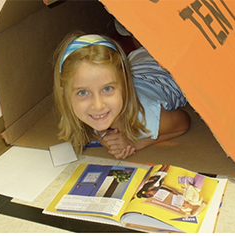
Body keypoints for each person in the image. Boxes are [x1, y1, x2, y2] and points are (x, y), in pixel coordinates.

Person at [53, 28, 190, 160]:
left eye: (107, 89)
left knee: (169, 40)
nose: (98, 105)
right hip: (139, 62)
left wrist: (135, 143)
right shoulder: (74, 115)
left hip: (172, 70)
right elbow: (79, 132)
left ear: (125, 87)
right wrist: (104, 138)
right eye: (83, 92)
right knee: (146, 44)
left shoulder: (145, 116)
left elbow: (183, 123)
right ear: (64, 94)